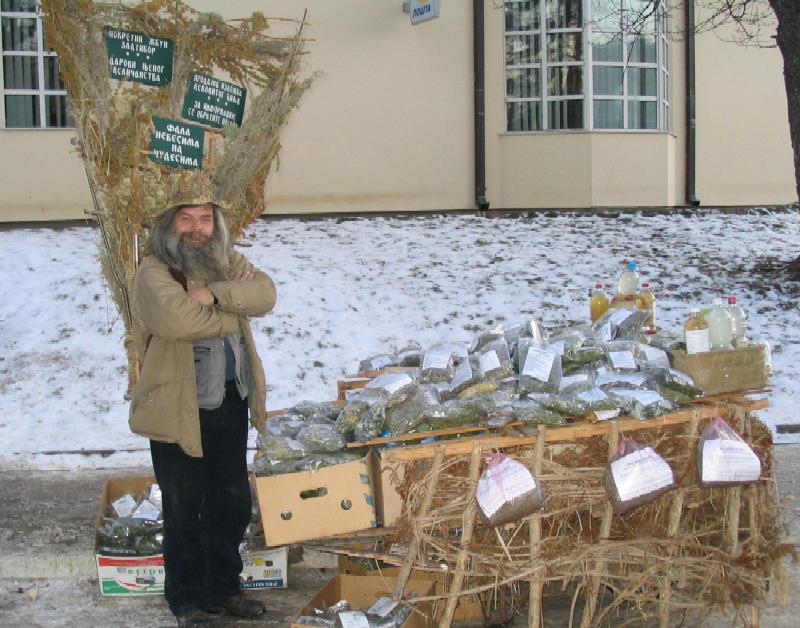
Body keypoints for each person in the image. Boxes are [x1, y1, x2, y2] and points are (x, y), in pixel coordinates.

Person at [128, 194, 276, 626]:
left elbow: (264, 293)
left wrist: (211, 294)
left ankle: (223, 590)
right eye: (186, 219)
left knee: (230, 503)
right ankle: (187, 600)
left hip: (231, 401)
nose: (196, 228)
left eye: (205, 219)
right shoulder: (154, 272)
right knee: (184, 506)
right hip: (177, 410)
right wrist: (233, 312)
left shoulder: (225, 262)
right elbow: (178, 322)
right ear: (168, 225)